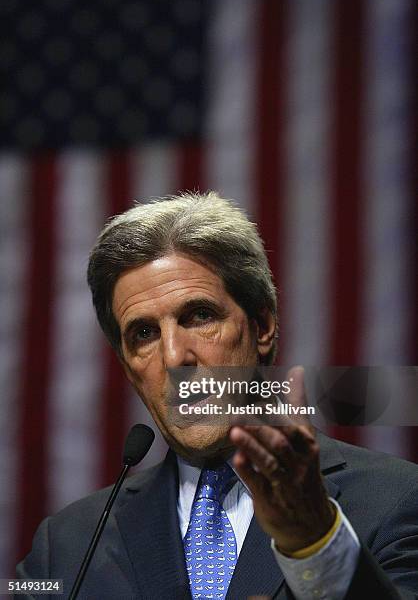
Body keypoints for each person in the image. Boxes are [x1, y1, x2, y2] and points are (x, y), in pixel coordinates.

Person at [17, 192, 418, 599]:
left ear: (262, 326)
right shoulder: (66, 547)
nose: (174, 357)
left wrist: (314, 541)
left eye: (199, 316)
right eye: (144, 333)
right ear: (127, 366)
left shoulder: (397, 499)